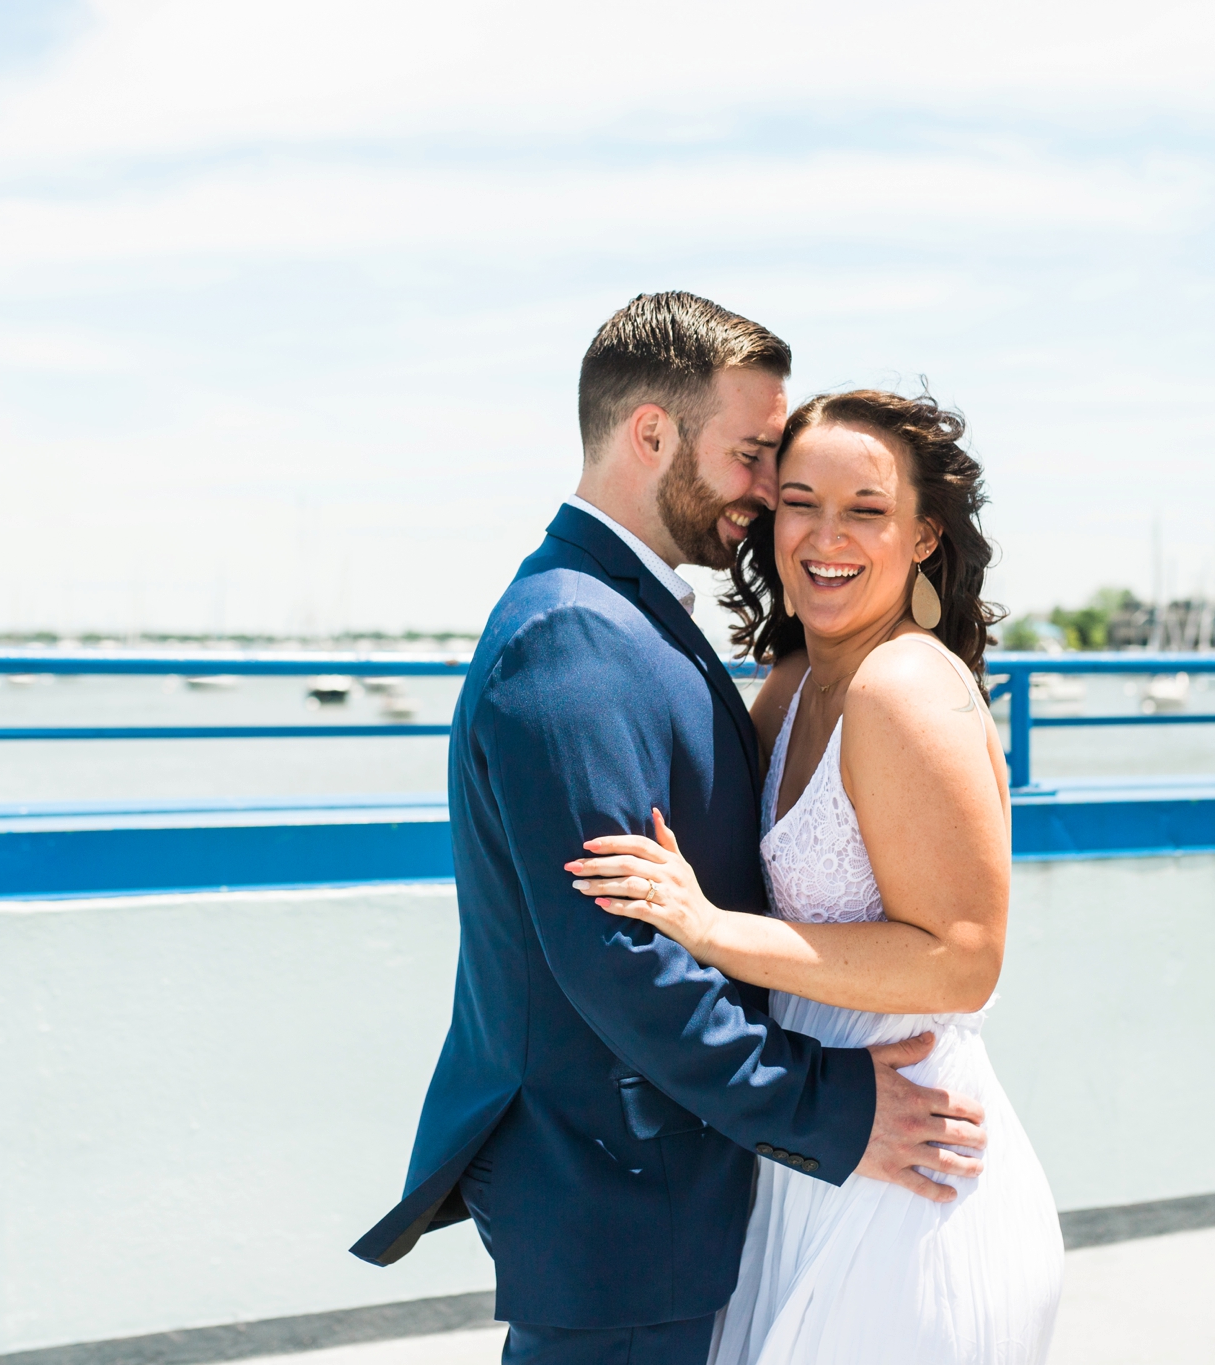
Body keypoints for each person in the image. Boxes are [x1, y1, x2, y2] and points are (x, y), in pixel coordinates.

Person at [351, 294, 991, 1365]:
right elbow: (616, 958)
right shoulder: (571, 635)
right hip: (614, 1185)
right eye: (750, 457)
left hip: (676, 1182)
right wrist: (829, 1112)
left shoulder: (634, 614)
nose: (763, 495)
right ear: (651, 433)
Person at [566, 389, 1064, 1363]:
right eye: (800, 502)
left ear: (923, 536)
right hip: (822, 1144)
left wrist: (707, 930)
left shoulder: (905, 685)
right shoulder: (794, 682)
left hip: (913, 1171)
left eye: (866, 511)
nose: (824, 536)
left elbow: (964, 963)